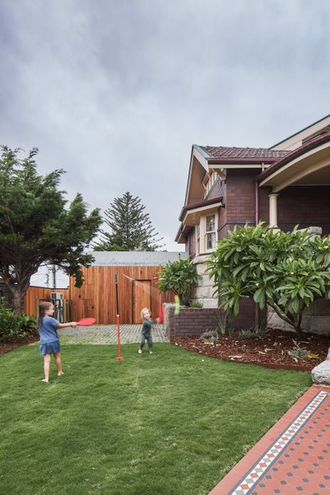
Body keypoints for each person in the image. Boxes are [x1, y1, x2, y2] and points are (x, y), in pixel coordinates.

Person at [38, 301, 77, 383]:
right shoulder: (50, 319)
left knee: (46, 360)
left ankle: (46, 379)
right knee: (57, 357)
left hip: (44, 342)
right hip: (54, 341)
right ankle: (60, 372)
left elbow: (55, 327)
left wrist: (70, 324)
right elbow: (60, 325)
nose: (53, 311)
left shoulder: (40, 320)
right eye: (52, 309)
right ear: (45, 311)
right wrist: (71, 323)